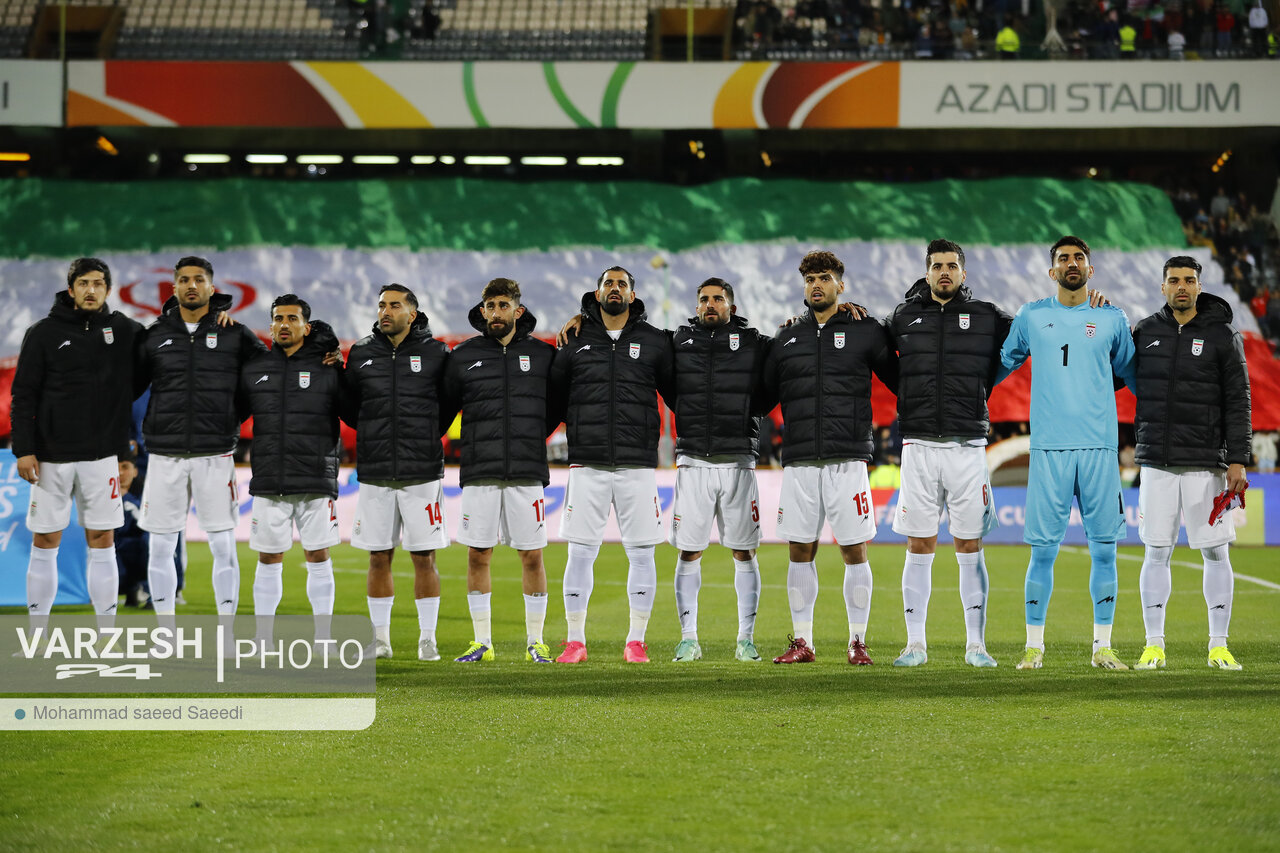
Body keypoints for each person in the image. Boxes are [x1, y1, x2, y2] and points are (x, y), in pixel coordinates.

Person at [999, 236, 1136, 670]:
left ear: (1090, 269)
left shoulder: (1113, 317)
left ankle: (1103, 648)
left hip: (1099, 447)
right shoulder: (1031, 315)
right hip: (1049, 448)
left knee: (1105, 550)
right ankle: (1034, 647)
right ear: (1051, 270)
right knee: (1042, 551)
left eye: (1079, 258)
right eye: (1063, 258)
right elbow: (1000, 364)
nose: (1071, 263)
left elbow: (1137, 377)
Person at [762, 250, 897, 665]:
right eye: (809, 279)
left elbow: (899, 379)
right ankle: (803, 642)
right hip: (800, 459)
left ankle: (857, 641)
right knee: (800, 550)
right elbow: (762, 396)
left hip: (848, 458)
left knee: (854, 550)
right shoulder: (786, 339)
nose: (816, 285)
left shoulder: (866, 331)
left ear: (841, 284)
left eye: (824, 277)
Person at [885, 240, 1011, 668]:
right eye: (937, 266)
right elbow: (879, 356)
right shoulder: (902, 317)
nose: (944, 272)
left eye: (951, 266)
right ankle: (914, 644)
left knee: (968, 544)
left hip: (967, 446)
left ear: (963, 273)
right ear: (926, 272)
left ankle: (976, 644)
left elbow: (1034, 335)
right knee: (919, 544)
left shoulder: (989, 317)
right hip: (918, 444)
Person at [10, 257, 146, 635]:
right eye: (83, 283)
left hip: (102, 457)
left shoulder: (125, 330)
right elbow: (23, 395)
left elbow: (145, 375)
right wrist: (23, 448)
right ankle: (38, 633)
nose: (91, 290)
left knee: (102, 539)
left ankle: (107, 633)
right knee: (46, 538)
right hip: (50, 457)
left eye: (98, 283)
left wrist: (125, 454)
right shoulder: (43, 332)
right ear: (71, 289)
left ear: (108, 289)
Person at [1130, 256, 1252, 670]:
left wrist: (1237, 459)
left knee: (1216, 553)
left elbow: (1239, 400)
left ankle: (1218, 644)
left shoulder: (1222, 334)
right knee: (1156, 552)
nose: (1181, 286)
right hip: (1158, 463)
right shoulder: (1144, 331)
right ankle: (1154, 644)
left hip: (1206, 465)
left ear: (1199, 286)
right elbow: (1110, 376)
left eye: (1189, 280)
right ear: (1162, 286)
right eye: (1174, 280)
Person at [548, 266, 675, 663]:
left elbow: (677, 396)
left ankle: (636, 640)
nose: (615, 289)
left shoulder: (655, 342)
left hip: (637, 462)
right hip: (587, 462)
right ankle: (575, 641)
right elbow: (553, 398)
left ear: (632, 295)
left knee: (642, 554)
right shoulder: (574, 339)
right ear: (598, 292)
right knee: (580, 553)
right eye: (609, 283)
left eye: (622, 284)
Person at [135, 256, 266, 630]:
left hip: (216, 453)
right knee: (160, 546)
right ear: (173, 287)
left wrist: (231, 417)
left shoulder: (235, 334)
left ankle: (226, 630)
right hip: (164, 454)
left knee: (223, 546)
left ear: (211, 287)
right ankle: (165, 630)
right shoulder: (154, 335)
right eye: (183, 280)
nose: (191, 286)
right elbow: (126, 388)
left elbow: (271, 373)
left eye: (199, 280)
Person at [442, 278, 563, 664]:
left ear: (518, 310)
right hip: (479, 470)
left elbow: (556, 408)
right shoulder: (462, 355)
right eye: (490, 306)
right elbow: (444, 409)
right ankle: (483, 643)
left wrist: (529, 435)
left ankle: (536, 642)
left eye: (502, 305)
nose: (496, 312)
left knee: (532, 556)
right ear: (482, 311)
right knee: (478, 554)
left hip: (527, 470)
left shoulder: (543, 355)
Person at [344, 284, 451, 662]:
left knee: (424, 558)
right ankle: (382, 639)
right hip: (374, 470)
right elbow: (348, 405)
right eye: (381, 306)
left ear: (413, 312)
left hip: (421, 470)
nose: (385, 311)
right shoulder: (360, 353)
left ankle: (427, 638)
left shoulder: (437, 353)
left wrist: (423, 435)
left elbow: (449, 404)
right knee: (378, 557)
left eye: (394, 305)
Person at [667, 278, 772, 663]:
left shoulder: (754, 342)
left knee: (744, 552)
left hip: (738, 461)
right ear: (696, 306)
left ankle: (746, 639)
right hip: (693, 460)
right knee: (688, 551)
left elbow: (774, 380)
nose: (710, 304)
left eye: (718, 299)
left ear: (731, 304)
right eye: (704, 300)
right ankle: (688, 638)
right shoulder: (678, 342)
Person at [238, 295, 349, 646]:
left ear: (306, 326)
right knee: (268, 558)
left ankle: (324, 637)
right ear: (270, 325)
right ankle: (263, 637)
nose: (284, 324)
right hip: (270, 478)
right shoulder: (255, 368)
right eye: (278, 318)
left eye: (292, 318)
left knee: (318, 555)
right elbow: (234, 414)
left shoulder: (329, 369)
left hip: (315, 476)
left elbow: (354, 413)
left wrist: (340, 365)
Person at [115, 453, 149, 608]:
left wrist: (127, 499)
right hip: (115, 551)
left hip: (137, 551)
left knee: (150, 542)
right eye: (117, 467)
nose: (120, 472)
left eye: (125, 467)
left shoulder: (145, 495)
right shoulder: (101, 495)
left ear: (135, 471)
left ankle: (149, 592)